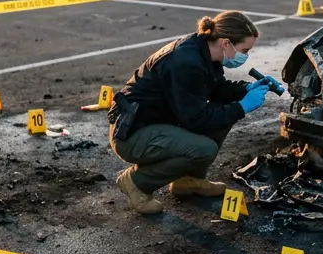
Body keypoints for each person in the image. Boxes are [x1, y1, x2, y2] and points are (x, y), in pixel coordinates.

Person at [107, 11, 281, 214]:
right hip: (133, 134)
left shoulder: (205, 51)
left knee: (221, 112)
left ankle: (188, 180)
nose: (246, 56)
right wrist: (241, 107)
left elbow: (216, 88)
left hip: (157, 121)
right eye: (245, 49)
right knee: (204, 148)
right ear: (226, 43)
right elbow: (196, 120)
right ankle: (137, 182)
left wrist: (245, 89)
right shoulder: (186, 62)